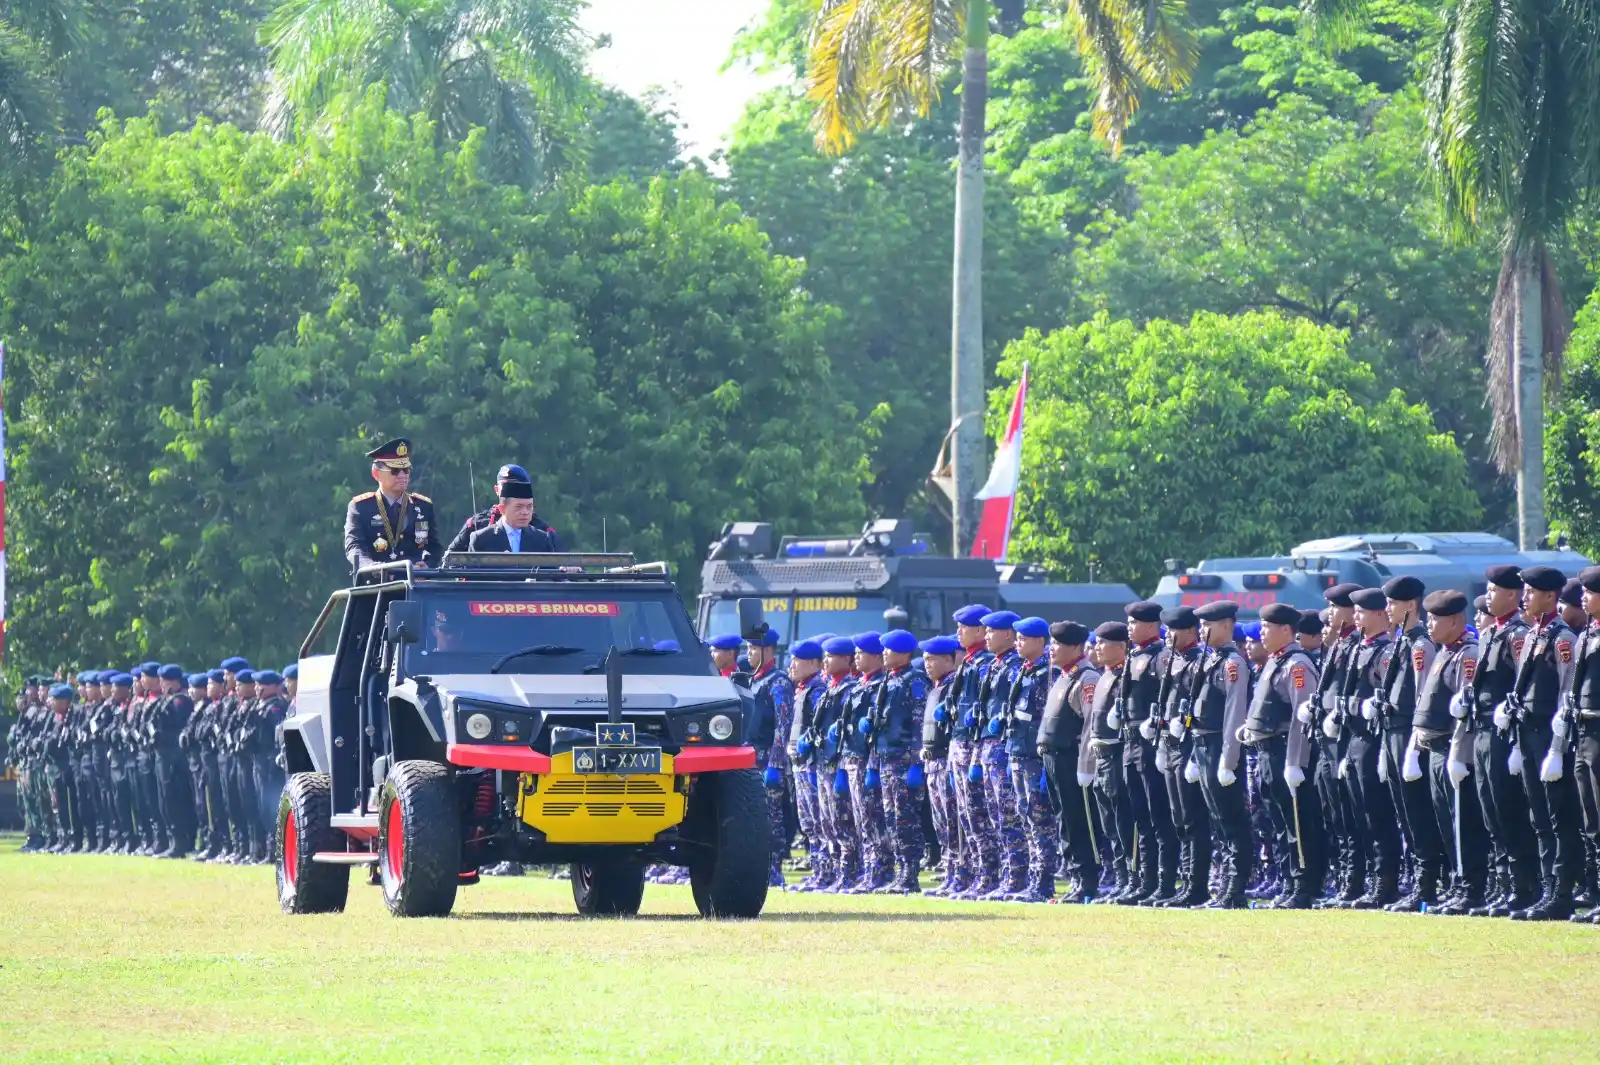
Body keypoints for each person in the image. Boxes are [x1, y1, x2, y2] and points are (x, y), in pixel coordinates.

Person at [1507, 564, 1582, 920]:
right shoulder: (1535, 633)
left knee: (1558, 817)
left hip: (1550, 738)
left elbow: (1568, 692)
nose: (1525, 597)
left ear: (1550, 596)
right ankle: (1548, 889)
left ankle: (1562, 892)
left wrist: (1557, 747)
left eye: (1531, 592)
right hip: (1527, 734)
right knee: (1539, 818)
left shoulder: (1562, 638)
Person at [1245, 601, 1326, 908]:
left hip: (1284, 753)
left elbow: (1300, 719)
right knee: (1279, 825)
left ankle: (1304, 885)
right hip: (1266, 752)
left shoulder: (1297, 665)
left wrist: (1295, 761)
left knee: (1297, 825)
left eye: (1267, 628)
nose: (1262, 634)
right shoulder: (1273, 662)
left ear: (1285, 630)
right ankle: (1288, 882)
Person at [1416, 589, 1490, 915]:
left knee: (1464, 825)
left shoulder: (1466, 654)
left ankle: (1471, 887)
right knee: (1447, 823)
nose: (1429, 624)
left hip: (1452, 748)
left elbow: (1466, 711)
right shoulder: (1445, 652)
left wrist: (1459, 755)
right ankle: (1457, 884)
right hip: (1434, 748)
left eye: (1435, 618)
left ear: (1456, 621)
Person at [1376, 575, 1447, 912]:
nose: (1388, 608)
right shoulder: (1401, 642)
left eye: (1393, 603)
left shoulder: (1420, 645)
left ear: (1411, 606)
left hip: (1409, 736)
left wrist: (1415, 748)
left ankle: (1427, 883)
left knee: (1418, 815)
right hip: (1392, 733)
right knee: (1404, 815)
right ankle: (1419, 881)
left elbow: (1423, 697)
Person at [1337, 588, 1403, 909]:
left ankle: (1385, 882)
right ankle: (1367, 881)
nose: (1356, 617)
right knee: (1359, 817)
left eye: (1361, 612)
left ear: (1378, 614)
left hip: (1373, 739)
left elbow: (1384, 695)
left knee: (1378, 816)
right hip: (1354, 739)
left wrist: (1356, 705)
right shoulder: (1357, 648)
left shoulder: (1385, 651)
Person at [1117, 600, 1179, 905]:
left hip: (1151, 744)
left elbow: (1169, 696)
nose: (1129, 628)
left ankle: (1165, 882)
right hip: (1130, 744)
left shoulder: (1161, 656)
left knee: (1158, 818)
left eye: (1134, 623)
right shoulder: (1135, 655)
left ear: (1152, 626)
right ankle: (1144, 879)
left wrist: (1159, 725)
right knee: (1139, 817)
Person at [1150, 606, 1210, 907]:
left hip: (1188, 747)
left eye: (1174, 630)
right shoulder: (1172, 662)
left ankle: (1196, 885)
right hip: (1170, 745)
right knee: (1178, 820)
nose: (1169, 635)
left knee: (1193, 818)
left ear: (1190, 631)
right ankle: (1185, 883)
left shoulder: (1199, 662)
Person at [1038, 622, 1101, 903]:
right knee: (1063, 820)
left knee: (1078, 822)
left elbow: (1089, 726)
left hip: (1072, 759)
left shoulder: (1086, 678)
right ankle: (1075, 877)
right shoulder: (1063, 676)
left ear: (1075, 647)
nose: (1052, 649)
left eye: (1058, 644)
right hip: (1053, 759)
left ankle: (1086, 880)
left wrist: (1086, 766)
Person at [1003, 617, 1058, 902]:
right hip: (1017, 752)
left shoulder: (1048, 673)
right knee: (1025, 818)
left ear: (1039, 641)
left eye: (1023, 639)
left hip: (1034, 758)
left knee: (1041, 821)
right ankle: (1031, 880)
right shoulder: (1023, 672)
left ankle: (1043, 882)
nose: (1017, 643)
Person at [1080, 621, 1135, 901]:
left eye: (1103, 643)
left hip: (1117, 754)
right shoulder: (1104, 676)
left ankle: (1131, 878)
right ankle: (1120, 878)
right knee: (1109, 824)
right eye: (1097, 642)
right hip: (1100, 757)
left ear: (1121, 647)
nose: (1097, 648)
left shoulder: (1127, 675)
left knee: (1124, 820)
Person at [974, 611, 1027, 900]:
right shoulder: (994, 667)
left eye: (991, 631)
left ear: (1007, 634)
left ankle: (1017, 877)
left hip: (1006, 751)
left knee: (1010, 818)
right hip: (988, 748)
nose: (986, 636)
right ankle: (1002, 877)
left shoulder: (1015, 667)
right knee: (995, 817)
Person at [873, 629, 927, 894]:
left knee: (906, 819)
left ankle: (910, 874)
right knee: (892, 818)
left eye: (889, 649)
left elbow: (918, 724)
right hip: (887, 758)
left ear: (904, 653)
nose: (884, 654)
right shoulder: (889, 679)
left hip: (905, 761)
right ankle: (900, 872)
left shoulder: (913, 680)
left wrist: (917, 763)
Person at [343, 438, 443, 572]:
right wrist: (370, 566)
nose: (402, 475)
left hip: (415, 582)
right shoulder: (361, 507)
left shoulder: (423, 507)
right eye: (395, 470)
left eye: (406, 470)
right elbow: (354, 547)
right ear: (376, 473)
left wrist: (427, 565)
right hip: (377, 583)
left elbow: (434, 547)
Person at [745, 627, 794, 889]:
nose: (749, 653)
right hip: (750, 757)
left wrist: (775, 764)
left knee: (771, 816)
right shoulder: (753, 680)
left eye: (754, 648)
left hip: (767, 759)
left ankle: (774, 870)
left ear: (767, 650)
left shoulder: (778, 682)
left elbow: (782, 726)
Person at [917, 635, 964, 897]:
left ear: (949, 659)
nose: (927, 664)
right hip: (932, 763)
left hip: (947, 761)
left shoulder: (951, 687)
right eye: (925, 659)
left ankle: (960, 874)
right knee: (942, 824)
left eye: (933, 659)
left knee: (954, 822)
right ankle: (950, 874)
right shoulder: (935, 688)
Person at [786, 639, 831, 892]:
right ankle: (818, 871)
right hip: (800, 765)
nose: (791, 665)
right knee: (809, 823)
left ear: (813, 663)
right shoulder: (802, 689)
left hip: (813, 766)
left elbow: (819, 731)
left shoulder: (817, 691)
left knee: (821, 821)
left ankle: (827, 872)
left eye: (797, 660)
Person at [1570, 565, 1600, 923]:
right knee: (1591, 821)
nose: (1583, 598)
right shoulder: (1589, 633)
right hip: (1583, 730)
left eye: (1589, 593)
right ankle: (1595, 893)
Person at [448, 464, 562, 553]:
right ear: (497, 490)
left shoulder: (541, 531)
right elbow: (452, 560)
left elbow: (557, 565)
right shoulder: (477, 525)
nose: (524, 513)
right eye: (505, 487)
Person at [151, 664, 196, 858]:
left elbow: (177, 720)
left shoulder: (180, 700)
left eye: (166, 681)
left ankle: (180, 842)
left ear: (175, 682)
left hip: (173, 758)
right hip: (161, 756)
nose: (162, 685)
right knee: (164, 801)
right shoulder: (164, 700)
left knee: (174, 800)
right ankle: (171, 840)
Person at [466, 477, 556, 553]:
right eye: (518, 507)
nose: (525, 512)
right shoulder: (481, 539)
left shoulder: (542, 539)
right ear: (502, 509)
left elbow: (552, 571)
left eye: (529, 507)